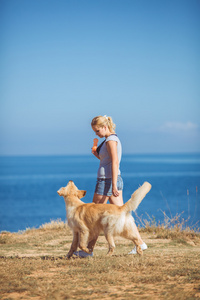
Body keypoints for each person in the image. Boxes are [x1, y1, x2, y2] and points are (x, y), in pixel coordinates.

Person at [74, 115, 147, 257]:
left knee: (94, 214)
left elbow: (115, 162)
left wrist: (113, 185)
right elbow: (106, 160)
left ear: (104, 127)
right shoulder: (109, 140)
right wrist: (96, 153)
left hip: (107, 181)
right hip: (109, 180)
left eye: (97, 131)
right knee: (123, 214)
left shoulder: (111, 140)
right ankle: (140, 243)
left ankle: (88, 250)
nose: (96, 134)